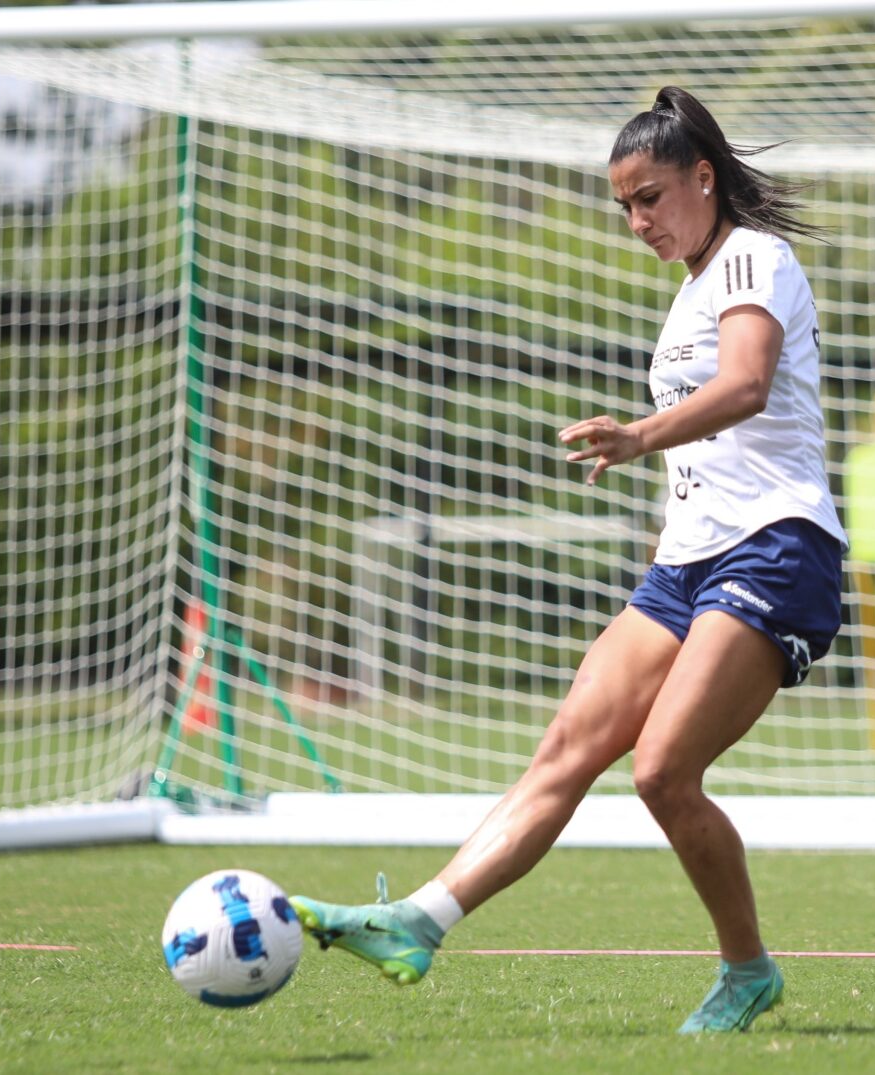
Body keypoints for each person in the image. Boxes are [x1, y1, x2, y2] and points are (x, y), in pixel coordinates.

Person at [290, 85, 844, 1035]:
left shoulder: (756, 254)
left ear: (703, 179)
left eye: (651, 197)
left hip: (777, 547)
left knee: (662, 771)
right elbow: (705, 448)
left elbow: (747, 385)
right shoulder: (684, 296)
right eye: (623, 205)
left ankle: (747, 970)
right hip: (688, 561)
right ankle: (413, 921)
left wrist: (639, 434)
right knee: (565, 749)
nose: (636, 221)